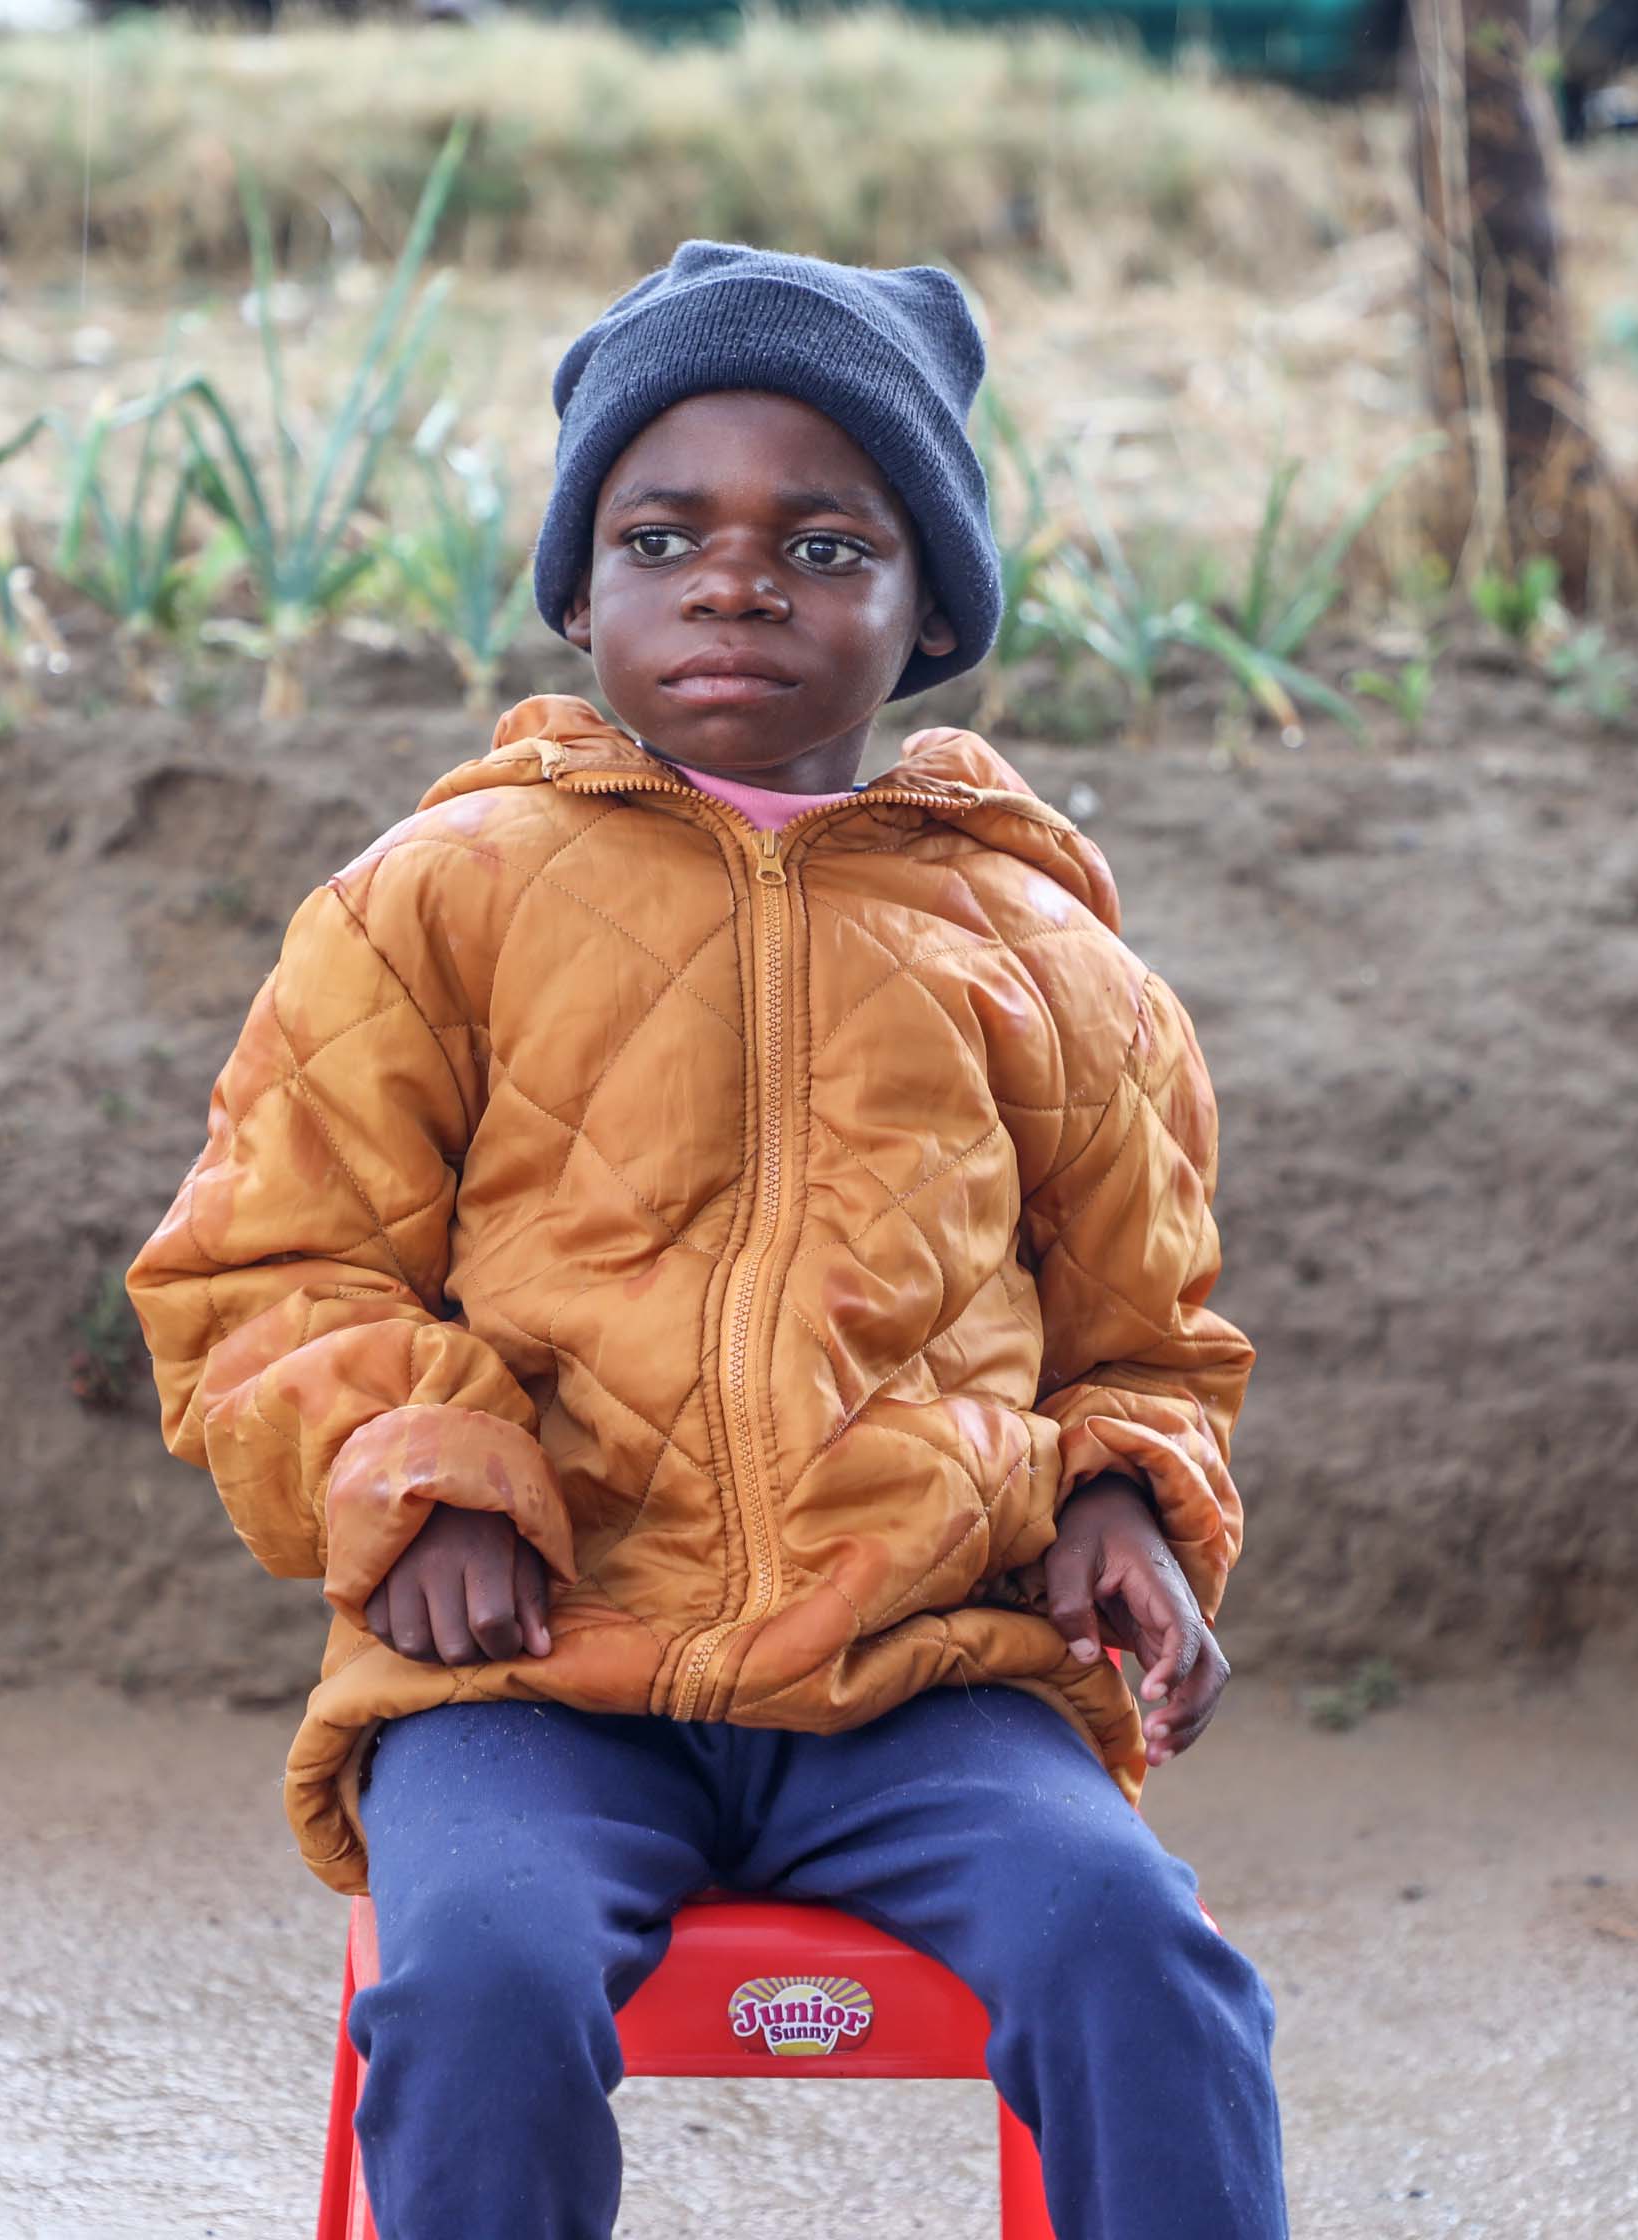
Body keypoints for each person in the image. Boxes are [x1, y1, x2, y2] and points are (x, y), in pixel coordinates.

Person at [127, 242, 1283, 2238]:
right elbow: (262, 1275)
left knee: (1140, 1953)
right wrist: (429, 1474)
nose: (738, 581)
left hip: (927, 1672)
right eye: (665, 535)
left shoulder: (1051, 961)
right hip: (535, 1677)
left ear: (930, 615)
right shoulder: (437, 901)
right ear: (583, 589)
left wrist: (1129, 1502)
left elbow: (1145, 1334)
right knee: (475, 1976)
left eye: (827, 546)